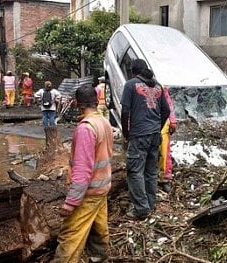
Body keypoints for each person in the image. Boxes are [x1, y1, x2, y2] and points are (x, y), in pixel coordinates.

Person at [53, 84, 113, 262]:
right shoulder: (103, 121)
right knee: (99, 227)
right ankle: (99, 257)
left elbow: (82, 169)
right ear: (96, 101)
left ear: (77, 104)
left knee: (70, 236)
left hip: (90, 192)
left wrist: (71, 202)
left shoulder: (86, 128)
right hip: (103, 187)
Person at [121, 58, 170, 220]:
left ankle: (141, 209)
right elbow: (166, 110)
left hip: (139, 135)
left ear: (133, 70)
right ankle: (150, 203)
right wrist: (158, 125)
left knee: (135, 171)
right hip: (155, 135)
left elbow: (125, 112)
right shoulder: (157, 85)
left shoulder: (130, 85)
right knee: (151, 171)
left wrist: (126, 133)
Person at [159, 86, 177, 193]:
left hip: (161, 122)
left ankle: (164, 179)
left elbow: (168, 104)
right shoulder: (136, 86)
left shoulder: (160, 87)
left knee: (164, 152)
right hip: (145, 122)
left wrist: (173, 121)